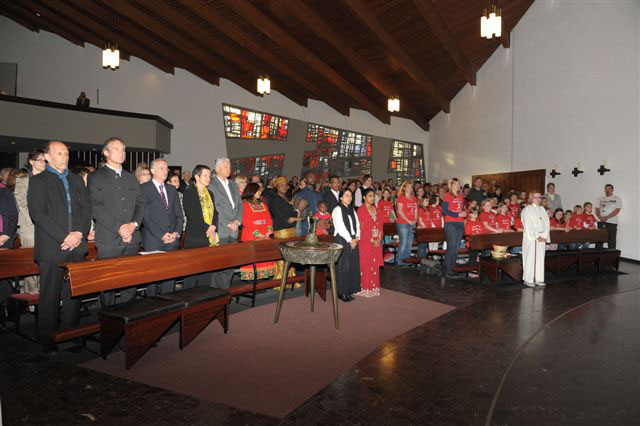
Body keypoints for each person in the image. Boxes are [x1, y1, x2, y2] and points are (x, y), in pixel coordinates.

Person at [27, 141, 91, 352]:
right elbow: (39, 214)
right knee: (50, 296)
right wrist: (65, 236)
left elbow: (86, 210)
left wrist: (79, 234)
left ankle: (71, 335)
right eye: (59, 153)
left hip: (77, 244)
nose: (65, 157)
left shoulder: (76, 179)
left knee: (73, 294)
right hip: (52, 246)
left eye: (66, 153)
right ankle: (48, 339)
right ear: (47, 157)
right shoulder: (39, 181)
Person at [89, 137, 144, 305]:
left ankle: (129, 317)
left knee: (130, 284)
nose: (122, 153)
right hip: (109, 239)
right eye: (117, 149)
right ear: (106, 152)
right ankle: (108, 318)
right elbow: (96, 207)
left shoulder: (130, 177)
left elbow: (140, 204)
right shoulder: (96, 177)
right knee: (108, 286)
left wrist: (133, 225)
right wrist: (120, 228)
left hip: (132, 238)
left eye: (123, 149)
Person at [140, 159, 183, 295]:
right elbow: (145, 216)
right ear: (152, 171)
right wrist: (161, 235)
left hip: (172, 239)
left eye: (166, 168)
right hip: (154, 239)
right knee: (153, 277)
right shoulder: (144, 188)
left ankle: (168, 303)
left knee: (170, 276)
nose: (165, 171)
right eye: (161, 168)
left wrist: (177, 232)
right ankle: (152, 305)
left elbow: (179, 214)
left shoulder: (171, 189)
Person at [13, 149, 46, 294]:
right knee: (31, 261)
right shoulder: (23, 181)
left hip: (47, 226)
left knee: (45, 260)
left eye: (45, 160)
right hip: (29, 225)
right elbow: (22, 204)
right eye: (40, 160)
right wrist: (37, 220)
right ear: (32, 162)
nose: (44, 163)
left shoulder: (49, 179)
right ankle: (31, 294)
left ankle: (45, 293)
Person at [208, 158, 243, 289]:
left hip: (234, 230)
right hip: (221, 228)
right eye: (225, 167)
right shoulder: (212, 185)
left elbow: (240, 204)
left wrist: (237, 221)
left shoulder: (233, 184)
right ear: (217, 169)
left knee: (230, 264)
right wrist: (228, 223)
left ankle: (225, 291)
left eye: (229, 167)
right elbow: (215, 207)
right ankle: (215, 293)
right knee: (219, 265)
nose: (229, 169)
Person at [183, 165, 219, 288]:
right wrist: (207, 228)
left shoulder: (210, 193)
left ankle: (205, 296)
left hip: (209, 236)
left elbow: (215, 213)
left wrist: (213, 227)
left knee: (206, 271)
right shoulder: (189, 192)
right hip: (195, 236)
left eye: (209, 176)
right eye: (205, 175)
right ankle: (189, 298)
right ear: (197, 177)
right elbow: (192, 214)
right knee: (191, 273)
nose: (208, 178)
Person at [239, 183, 276, 280]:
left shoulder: (262, 204)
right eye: (258, 191)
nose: (260, 192)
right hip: (251, 235)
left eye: (260, 191)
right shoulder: (245, 204)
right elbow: (246, 221)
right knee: (253, 260)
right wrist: (258, 234)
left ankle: (263, 279)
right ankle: (253, 281)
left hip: (265, 235)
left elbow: (268, 218)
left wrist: (269, 231)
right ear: (251, 191)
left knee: (264, 259)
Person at [268, 176, 300, 279]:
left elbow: (293, 213)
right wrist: (295, 217)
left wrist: (296, 215)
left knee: (291, 255)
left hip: (291, 229)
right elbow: (280, 216)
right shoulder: (275, 199)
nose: (285, 187)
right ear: (276, 186)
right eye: (281, 185)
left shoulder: (287, 198)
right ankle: (281, 279)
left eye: (286, 185)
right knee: (283, 255)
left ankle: (291, 278)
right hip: (282, 230)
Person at [332, 189, 360, 302]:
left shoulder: (352, 210)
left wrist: (357, 238)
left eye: (350, 196)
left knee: (352, 265)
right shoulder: (337, 210)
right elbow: (340, 226)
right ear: (341, 197)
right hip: (342, 240)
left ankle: (349, 290)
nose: (349, 198)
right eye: (346, 195)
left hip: (353, 239)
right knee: (344, 266)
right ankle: (342, 292)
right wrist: (350, 240)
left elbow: (357, 225)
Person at [356, 188, 382, 298]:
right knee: (366, 263)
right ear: (364, 197)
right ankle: (365, 288)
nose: (372, 198)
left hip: (376, 239)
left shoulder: (376, 208)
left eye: (373, 196)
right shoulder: (361, 210)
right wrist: (372, 240)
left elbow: (380, 224)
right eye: (369, 196)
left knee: (374, 262)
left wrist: (379, 238)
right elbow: (362, 229)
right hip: (365, 241)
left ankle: (374, 287)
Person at [521, 192, 550, 287]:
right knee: (530, 257)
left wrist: (545, 236)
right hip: (532, 237)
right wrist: (537, 236)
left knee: (540, 258)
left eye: (539, 197)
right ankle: (528, 279)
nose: (538, 199)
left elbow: (547, 223)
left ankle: (539, 279)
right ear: (531, 198)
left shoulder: (542, 209)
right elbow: (527, 224)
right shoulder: (527, 209)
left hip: (542, 237)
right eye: (535, 197)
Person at [442, 178, 466, 278]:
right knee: (451, 247)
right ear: (451, 185)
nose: (458, 186)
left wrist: (464, 213)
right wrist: (457, 215)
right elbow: (444, 210)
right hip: (451, 223)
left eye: (458, 184)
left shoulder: (460, 195)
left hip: (459, 224)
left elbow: (461, 208)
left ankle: (452, 268)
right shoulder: (448, 195)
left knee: (456, 248)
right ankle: (448, 270)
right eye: (455, 184)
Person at [395, 180, 417, 266]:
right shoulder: (401, 197)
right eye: (408, 187)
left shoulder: (413, 198)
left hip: (412, 223)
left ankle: (406, 260)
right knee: (403, 242)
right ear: (404, 188)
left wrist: (415, 219)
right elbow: (400, 211)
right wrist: (409, 221)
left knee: (409, 243)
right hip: (403, 223)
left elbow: (415, 210)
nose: (410, 189)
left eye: (411, 187)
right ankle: (400, 260)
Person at [595, 184, 622, 249]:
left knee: (612, 241)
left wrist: (607, 217)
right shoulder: (600, 199)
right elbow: (597, 210)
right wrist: (601, 218)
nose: (607, 190)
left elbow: (617, 210)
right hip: (601, 222)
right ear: (604, 190)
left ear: (612, 190)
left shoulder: (617, 199)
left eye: (609, 189)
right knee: (599, 240)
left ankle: (612, 255)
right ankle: (598, 254)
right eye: (606, 188)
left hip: (612, 222)